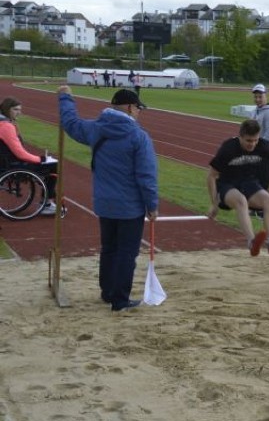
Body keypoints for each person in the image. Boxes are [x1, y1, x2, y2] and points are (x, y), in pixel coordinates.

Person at [57, 86, 159, 312]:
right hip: (130, 206)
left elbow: (71, 124)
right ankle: (120, 299)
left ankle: (107, 291)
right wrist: (152, 205)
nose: (139, 112)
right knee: (126, 253)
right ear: (131, 108)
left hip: (104, 203)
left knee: (109, 248)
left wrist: (65, 98)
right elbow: (146, 175)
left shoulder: (96, 129)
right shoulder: (138, 136)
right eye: (139, 108)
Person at [207, 118, 269, 256]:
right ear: (240, 137)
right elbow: (211, 176)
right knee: (241, 201)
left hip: (249, 183)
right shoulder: (228, 148)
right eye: (249, 141)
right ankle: (252, 242)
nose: (253, 144)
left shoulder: (264, 146)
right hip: (227, 184)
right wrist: (214, 203)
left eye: (255, 140)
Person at [0, 97, 59, 215]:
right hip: (12, 165)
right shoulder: (6, 126)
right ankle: (47, 203)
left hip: (7, 162)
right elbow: (20, 153)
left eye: (20, 110)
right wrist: (40, 159)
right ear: (7, 109)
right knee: (53, 164)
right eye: (15, 109)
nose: (19, 112)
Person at [250, 83, 269, 189]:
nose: (257, 99)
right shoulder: (255, 111)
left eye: (260, 97)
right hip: (253, 152)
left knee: (262, 184)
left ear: (266, 96)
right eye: (256, 97)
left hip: (264, 153)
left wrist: (255, 147)